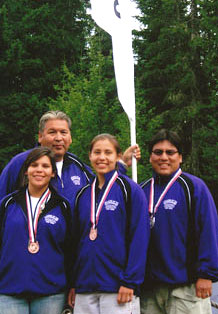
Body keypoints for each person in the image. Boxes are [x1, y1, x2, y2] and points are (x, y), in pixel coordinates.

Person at [68, 133, 150, 314]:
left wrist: (130, 282)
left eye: (108, 152)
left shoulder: (130, 190)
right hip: (85, 287)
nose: (102, 157)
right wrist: (74, 282)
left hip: (118, 287)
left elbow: (139, 238)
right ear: (89, 156)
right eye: (97, 152)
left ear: (118, 157)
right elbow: (75, 242)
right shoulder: (82, 194)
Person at [139, 129, 218, 314]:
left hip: (185, 287)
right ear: (150, 157)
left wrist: (206, 275)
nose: (163, 157)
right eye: (158, 152)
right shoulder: (141, 191)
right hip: (149, 289)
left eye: (170, 152)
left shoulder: (194, 187)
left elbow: (209, 232)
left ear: (180, 157)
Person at [0, 111, 140, 206]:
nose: (59, 138)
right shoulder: (20, 163)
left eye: (63, 132)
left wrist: (121, 165)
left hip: (69, 246)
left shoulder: (78, 166)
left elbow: (101, 190)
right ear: (40, 136)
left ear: (70, 138)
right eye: (52, 132)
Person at [0, 147, 73, 314]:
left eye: (45, 166)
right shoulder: (7, 204)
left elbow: (70, 249)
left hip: (50, 292)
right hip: (9, 290)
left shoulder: (63, 206)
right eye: (34, 165)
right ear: (26, 170)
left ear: (53, 173)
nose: (39, 170)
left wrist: (71, 284)